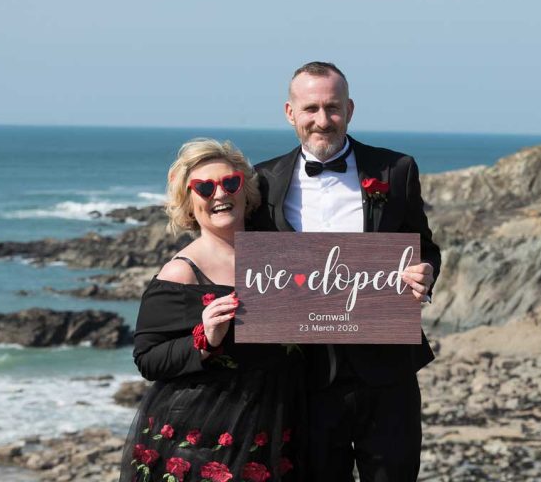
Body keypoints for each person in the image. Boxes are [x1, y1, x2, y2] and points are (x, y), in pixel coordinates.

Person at [249, 62, 441, 482]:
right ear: (289, 112)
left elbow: (424, 246)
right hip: (303, 377)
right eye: (311, 108)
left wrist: (426, 272)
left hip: (386, 369)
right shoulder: (262, 180)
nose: (322, 120)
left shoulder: (396, 170)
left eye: (332, 108)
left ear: (350, 109)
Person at [120, 139, 305, 482]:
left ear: (245, 191)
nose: (220, 194)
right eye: (204, 188)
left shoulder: (280, 258)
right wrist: (204, 339)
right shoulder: (181, 272)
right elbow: (147, 359)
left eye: (229, 182)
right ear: (190, 204)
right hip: (201, 441)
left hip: (278, 428)